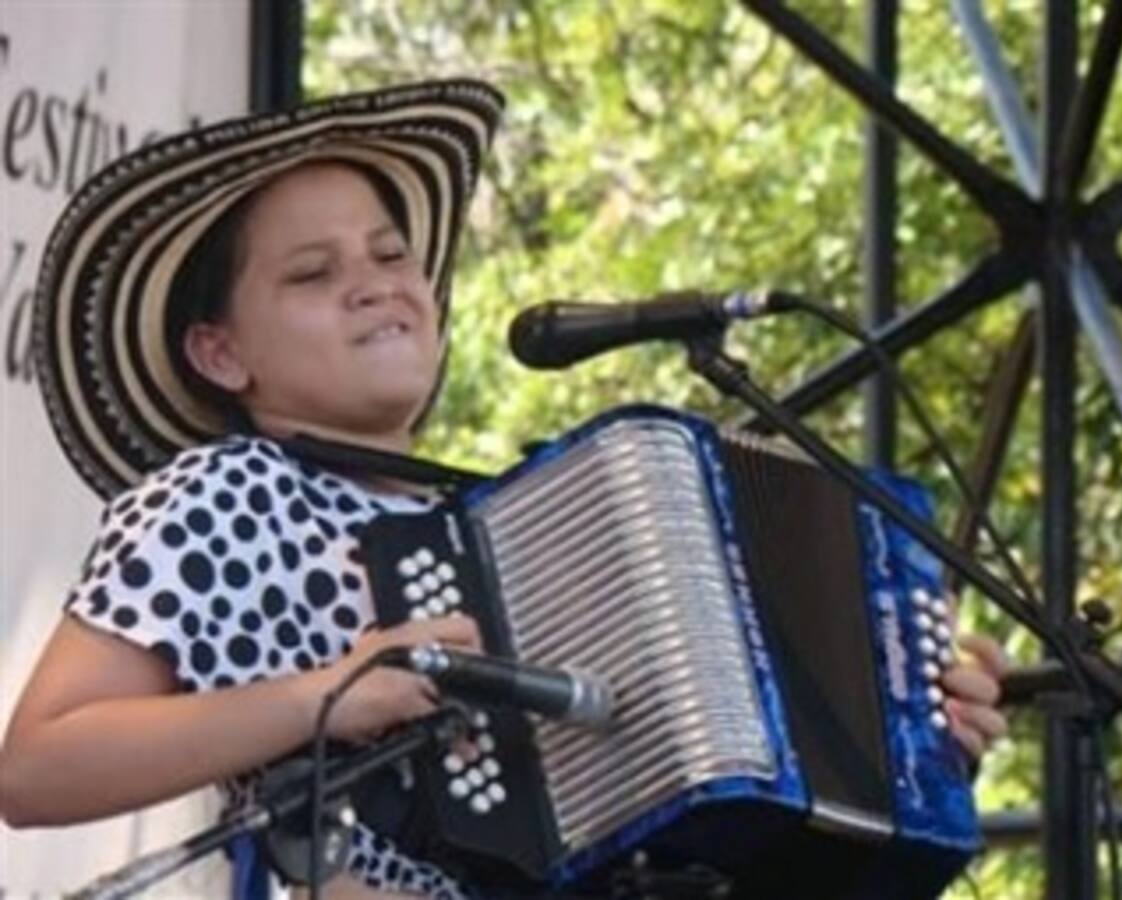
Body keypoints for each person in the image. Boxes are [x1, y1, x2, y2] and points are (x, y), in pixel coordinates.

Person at [0, 78, 1009, 900]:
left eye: (391, 254)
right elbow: (36, 765)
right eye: (312, 273)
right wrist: (330, 697)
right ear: (220, 353)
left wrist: (911, 751)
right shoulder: (225, 494)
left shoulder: (496, 526)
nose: (375, 282)